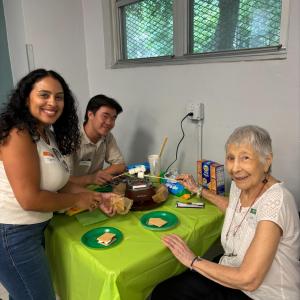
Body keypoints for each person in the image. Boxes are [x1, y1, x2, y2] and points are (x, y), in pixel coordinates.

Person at [0, 69, 115, 300]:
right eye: (44, 95)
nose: (52, 102)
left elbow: (61, 183)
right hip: (12, 234)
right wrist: (78, 199)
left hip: (34, 229)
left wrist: (96, 197)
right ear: (26, 98)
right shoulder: (18, 134)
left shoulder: (46, 135)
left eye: (59, 97)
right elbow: (30, 199)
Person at [152, 125, 300, 300]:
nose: (235, 168)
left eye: (245, 158)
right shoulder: (242, 185)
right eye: (231, 158)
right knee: (165, 292)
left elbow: (249, 280)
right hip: (230, 272)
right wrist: (198, 189)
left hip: (261, 294)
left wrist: (192, 260)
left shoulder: (276, 201)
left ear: (266, 161)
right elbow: (235, 207)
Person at [65, 94, 126, 187]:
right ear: (90, 115)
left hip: (94, 188)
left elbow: (120, 165)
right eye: (105, 116)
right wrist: (91, 178)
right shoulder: (70, 138)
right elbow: (64, 180)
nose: (109, 122)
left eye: (113, 118)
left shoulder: (107, 136)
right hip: (71, 192)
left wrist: (98, 176)